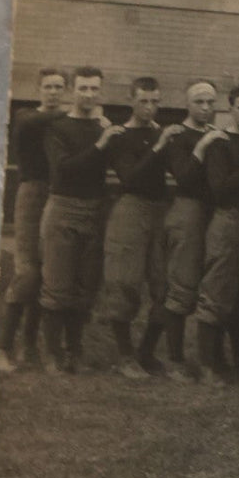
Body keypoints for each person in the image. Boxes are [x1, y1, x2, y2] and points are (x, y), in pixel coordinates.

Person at [98, 76, 179, 378]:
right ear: (131, 100)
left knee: (165, 285)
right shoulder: (119, 135)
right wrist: (159, 146)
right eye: (143, 101)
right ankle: (124, 355)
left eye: (155, 101)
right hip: (130, 208)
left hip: (161, 210)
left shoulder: (164, 134)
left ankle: (146, 352)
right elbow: (130, 177)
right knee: (125, 282)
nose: (150, 108)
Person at [37, 66, 111, 373]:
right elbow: (64, 168)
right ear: (73, 91)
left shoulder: (103, 127)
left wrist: (105, 136)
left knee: (85, 286)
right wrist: (101, 144)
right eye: (83, 88)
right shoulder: (58, 126)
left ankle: (75, 350)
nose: (89, 95)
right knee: (57, 283)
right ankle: (52, 353)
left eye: (94, 89)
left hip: (94, 208)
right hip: (64, 207)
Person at [193, 85, 239, 385]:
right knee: (217, 291)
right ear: (231, 108)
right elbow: (220, 190)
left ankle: (238, 359)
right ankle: (207, 363)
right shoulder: (220, 143)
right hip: (227, 220)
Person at [0, 67, 68, 371]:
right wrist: (71, 113)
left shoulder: (63, 122)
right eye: (48, 86)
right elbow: (31, 121)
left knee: (46, 272)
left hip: (57, 196)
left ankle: (29, 345)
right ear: (39, 89)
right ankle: (2, 348)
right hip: (30, 195)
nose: (53, 92)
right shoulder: (28, 116)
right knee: (26, 273)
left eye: (59, 87)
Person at [158, 80, 219, 381]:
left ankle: (210, 360)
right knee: (181, 285)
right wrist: (203, 146)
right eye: (199, 102)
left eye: (210, 102)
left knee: (213, 285)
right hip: (188, 210)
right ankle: (175, 360)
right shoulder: (177, 136)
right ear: (187, 103)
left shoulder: (217, 135)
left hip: (215, 214)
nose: (206, 108)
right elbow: (182, 176)